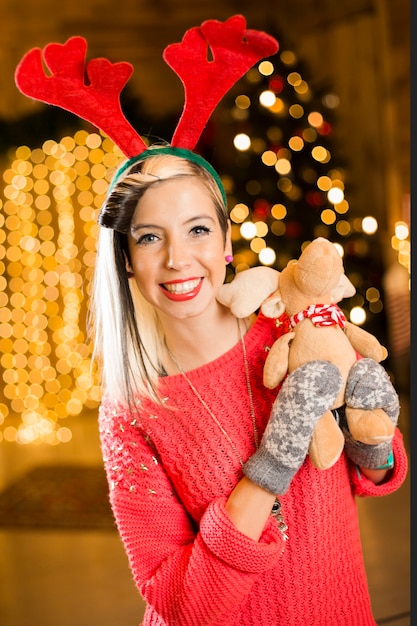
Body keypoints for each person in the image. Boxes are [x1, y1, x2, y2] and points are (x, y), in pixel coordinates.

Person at [92, 145, 408, 626]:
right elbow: (181, 605)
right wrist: (271, 466)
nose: (178, 259)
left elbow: (381, 472)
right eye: (150, 237)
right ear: (128, 259)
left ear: (224, 242)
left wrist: (375, 439)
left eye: (197, 229)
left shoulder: (294, 333)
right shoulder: (131, 408)